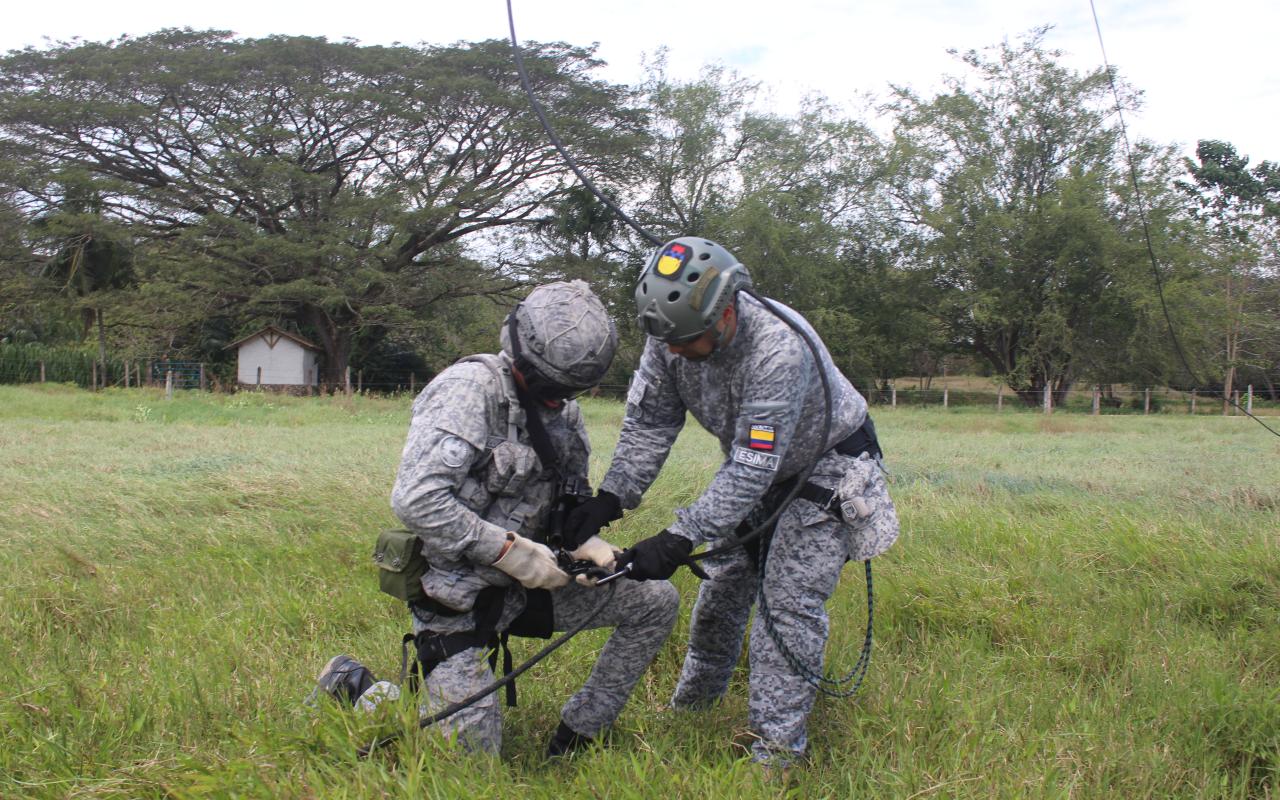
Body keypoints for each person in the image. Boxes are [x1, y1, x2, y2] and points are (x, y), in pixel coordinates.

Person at [565, 238, 898, 767]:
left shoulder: (779, 348)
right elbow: (651, 422)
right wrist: (611, 499)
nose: (674, 352)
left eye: (687, 341)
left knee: (786, 606)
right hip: (755, 467)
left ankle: (777, 755)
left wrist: (679, 536)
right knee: (721, 592)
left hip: (828, 466)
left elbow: (752, 465)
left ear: (724, 313)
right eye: (667, 341)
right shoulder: (669, 331)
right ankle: (694, 711)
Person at [315, 280, 679, 758]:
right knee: (468, 763)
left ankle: (580, 733)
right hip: (458, 600)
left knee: (656, 601)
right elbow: (416, 499)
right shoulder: (470, 390)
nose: (558, 400)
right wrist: (508, 550)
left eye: (569, 390)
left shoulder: (564, 414)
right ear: (522, 354)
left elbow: (567, 500)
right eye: (549, 387)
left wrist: (585, 543)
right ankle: (358, 688)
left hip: (529, 587)